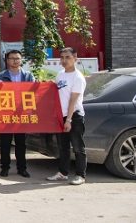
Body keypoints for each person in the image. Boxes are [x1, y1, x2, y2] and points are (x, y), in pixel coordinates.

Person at [46, 47, 87, 186]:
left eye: (68, 57)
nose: (64, 60)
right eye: (62, 57)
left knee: (78, 147)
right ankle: (63, 173)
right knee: (63, 147)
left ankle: (80, 175)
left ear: (75, 58)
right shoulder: (60, 74)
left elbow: (73, 100)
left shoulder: (78, 77)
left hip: (74, 116)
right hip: (61, 116)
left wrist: (68, 120)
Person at [0, 49, 35, 178]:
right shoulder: (0, 76)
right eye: (12, 58)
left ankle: (22, 168)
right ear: (7, 60)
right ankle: (5, 167)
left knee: (21, 143)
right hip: (6, 113)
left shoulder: (28, 76)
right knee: (5, 142)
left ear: (21, 60)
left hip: (21, 113)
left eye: (17, 58)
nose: (15, 61)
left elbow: (33, 93)